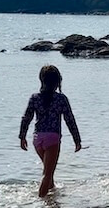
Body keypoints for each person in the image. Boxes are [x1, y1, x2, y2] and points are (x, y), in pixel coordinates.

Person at [19, 65, 82, 197]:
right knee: (47, 174)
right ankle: (42, 206)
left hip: (37, 139)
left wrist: (22, 136)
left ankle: (52, 201)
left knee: (49, 171)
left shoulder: (34, 97)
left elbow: (26, 118)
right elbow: (70, 120)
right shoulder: (60, 99)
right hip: (52, 139)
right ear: (58, 81)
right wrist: (77, 139)